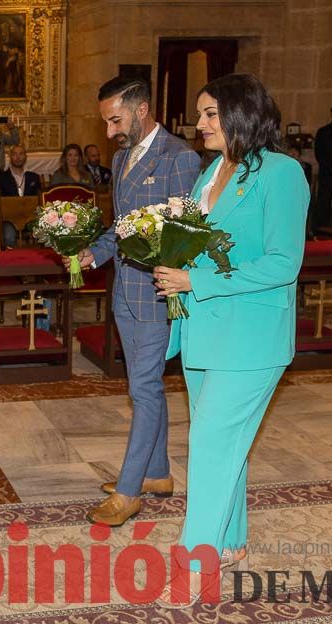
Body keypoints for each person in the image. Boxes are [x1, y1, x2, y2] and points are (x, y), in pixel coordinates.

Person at [151, 74, 308, 607]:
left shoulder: (282, 174)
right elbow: (198, 239)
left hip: (252, 335)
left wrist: (200, 280)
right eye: (200, 114)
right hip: (203, 331)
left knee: (211, 442)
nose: (199, 125)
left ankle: (197, 560)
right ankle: (233, 540)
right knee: (224, 443)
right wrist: (169, 256)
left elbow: (284, 263)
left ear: (242, 114)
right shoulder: (210, 172)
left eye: (210, 113)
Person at [71, 76, 200, 527]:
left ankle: (128, 492)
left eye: (115, 120)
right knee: (144, 385)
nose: (109, 132)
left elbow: (186, 233)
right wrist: (95, 252)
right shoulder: (123, 157)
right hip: (124, 291)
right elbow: (121, 226)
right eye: (106, 122)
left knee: (143, 388)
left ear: (141, 108)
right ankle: (159, 474)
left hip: (157, 294)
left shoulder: (180, 158)